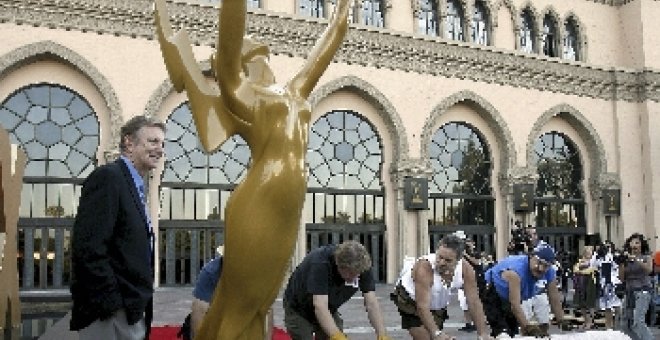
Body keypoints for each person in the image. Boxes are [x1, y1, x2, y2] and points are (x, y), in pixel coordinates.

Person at [154, 0, 351, 338]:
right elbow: (229, 38)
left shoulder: (294, 92)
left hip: (289, 203)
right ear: (245, 64)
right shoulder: (241, 94)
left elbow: (326, 48)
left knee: (263, 299)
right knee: (243, 300)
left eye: (265, 56)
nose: (266, 62)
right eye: (258, 56)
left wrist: (343, 11)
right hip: (259, 198)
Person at [69, 115, 165, 339]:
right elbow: (88, 248)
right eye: (153, 141)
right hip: (110, 316)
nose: (159, 149)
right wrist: (113, 305)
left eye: (162, 143)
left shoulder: (134, 184)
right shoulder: (108, 178)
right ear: (129, 143)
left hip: (131, 310)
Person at [283, 240, 391, 340]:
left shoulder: (361, 266)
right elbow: (320, 305)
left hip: (329, 307)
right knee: (304, 336)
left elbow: (371, 303)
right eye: (352, 274)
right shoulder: (320, 263)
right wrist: (337, 336)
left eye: (358, 274)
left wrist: (382, 333)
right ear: (339, 266)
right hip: (298, 307)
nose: (356, 277)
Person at [391, 234, 493, 340]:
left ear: (458, 260)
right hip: (409, 299)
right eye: (440, 257)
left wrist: (482, 334)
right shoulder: (424, 268)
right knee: (426, 337)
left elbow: (474, 302)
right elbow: (422, 306)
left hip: (437, 304)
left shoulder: (466, 270)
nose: (441, 263)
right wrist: (437, 334)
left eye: (448, 260)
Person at [482, 244, 567, 338]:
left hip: (510, 297)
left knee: (513, 333)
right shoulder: (516, 271)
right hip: (492, 292)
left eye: (546, 266)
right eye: (539, 263)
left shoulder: (549, 272)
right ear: (531, 257)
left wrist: (561, 319)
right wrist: (528, 327)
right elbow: (515, 305)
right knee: (503, 334)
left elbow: (554, 298)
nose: (541, 268)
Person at [619, 233, 654, 340]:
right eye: (632, 242)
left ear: (641, 245)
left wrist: (636, 259)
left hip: (643, 291)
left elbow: (649, 270)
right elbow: (621, 278)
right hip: (629, 292)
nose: (634, 245)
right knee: (625, 325)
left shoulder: (646, 257)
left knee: (638, 322)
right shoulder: (627, 258)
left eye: (637, 243)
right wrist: (621, 263)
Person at [520, 226, 554, 331]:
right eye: (529, 235)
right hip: (525, 291)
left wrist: (529, 251)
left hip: (540, 289)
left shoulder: (543, 246)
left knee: (544, 322)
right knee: (524, 323)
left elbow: (547, 261)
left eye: (534, 234)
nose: (532, 237)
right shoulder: (520, 246)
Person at [591, 240, 622, 329]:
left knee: (617, 305)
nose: (607, 249)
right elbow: (592, 265)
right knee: (607, 306)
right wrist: (596, 254)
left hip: (614, 283)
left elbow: (618, 266)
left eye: (608, 247)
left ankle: (618, 324)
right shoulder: (599, 257)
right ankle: (609, 326)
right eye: (605, 247)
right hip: (604, 284)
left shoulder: (615, 256)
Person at [572, 246, 598, 329]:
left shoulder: (594, 262)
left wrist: (581, 271)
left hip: (590, 284)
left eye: (590, 251)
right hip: (580, 285)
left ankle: (590, 322)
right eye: (587, 251)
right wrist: (581, 270)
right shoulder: (580, 261)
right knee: (581, 304)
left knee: (590, 304)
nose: (588, 253)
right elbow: (575, 269)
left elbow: (591, 270)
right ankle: (585, 320)